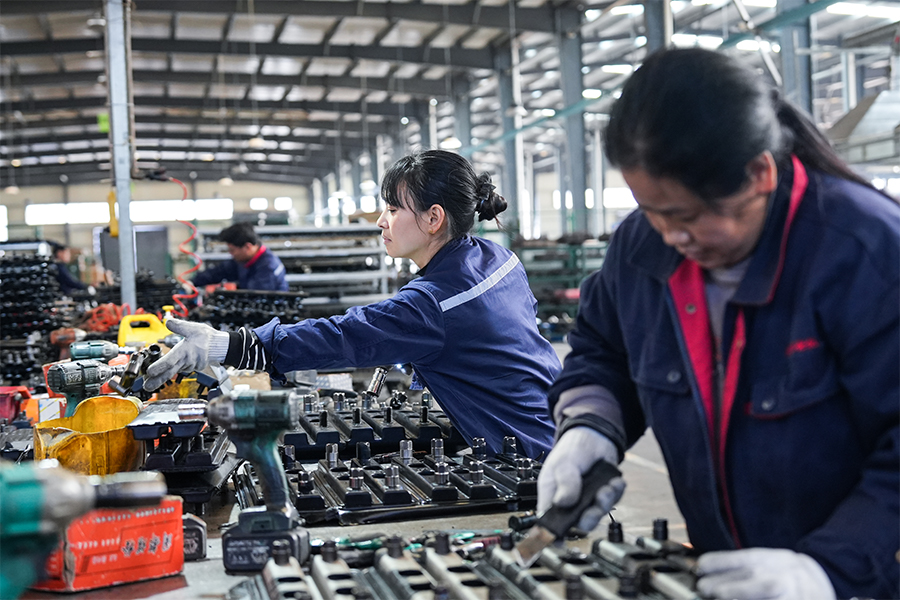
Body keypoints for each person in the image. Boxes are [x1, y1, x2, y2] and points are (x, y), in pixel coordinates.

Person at [536, 48, 899, 600]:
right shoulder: (641, 248)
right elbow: (603, 351)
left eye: (687, 216)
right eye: (651, 211)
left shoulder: (864, 253)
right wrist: (590, 424)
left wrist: (826, 570)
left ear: (759, 174)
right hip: (730, 576)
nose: (670, 236)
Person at [145, 150, 560, 459]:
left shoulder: (434, 303)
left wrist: (229, 345)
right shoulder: (500, 259)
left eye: (393, 209)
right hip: (555, 422)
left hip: (527, 453)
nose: (381, 221)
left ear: (434, 219)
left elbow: (346, 335)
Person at [192, 222, 288, 291]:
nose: (231, 253)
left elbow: (255, 295)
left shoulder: (269, 266)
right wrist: (191, 283)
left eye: (232, 250)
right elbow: (219, 271)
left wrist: (226, 288)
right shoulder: (243, 260)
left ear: (247, 247)